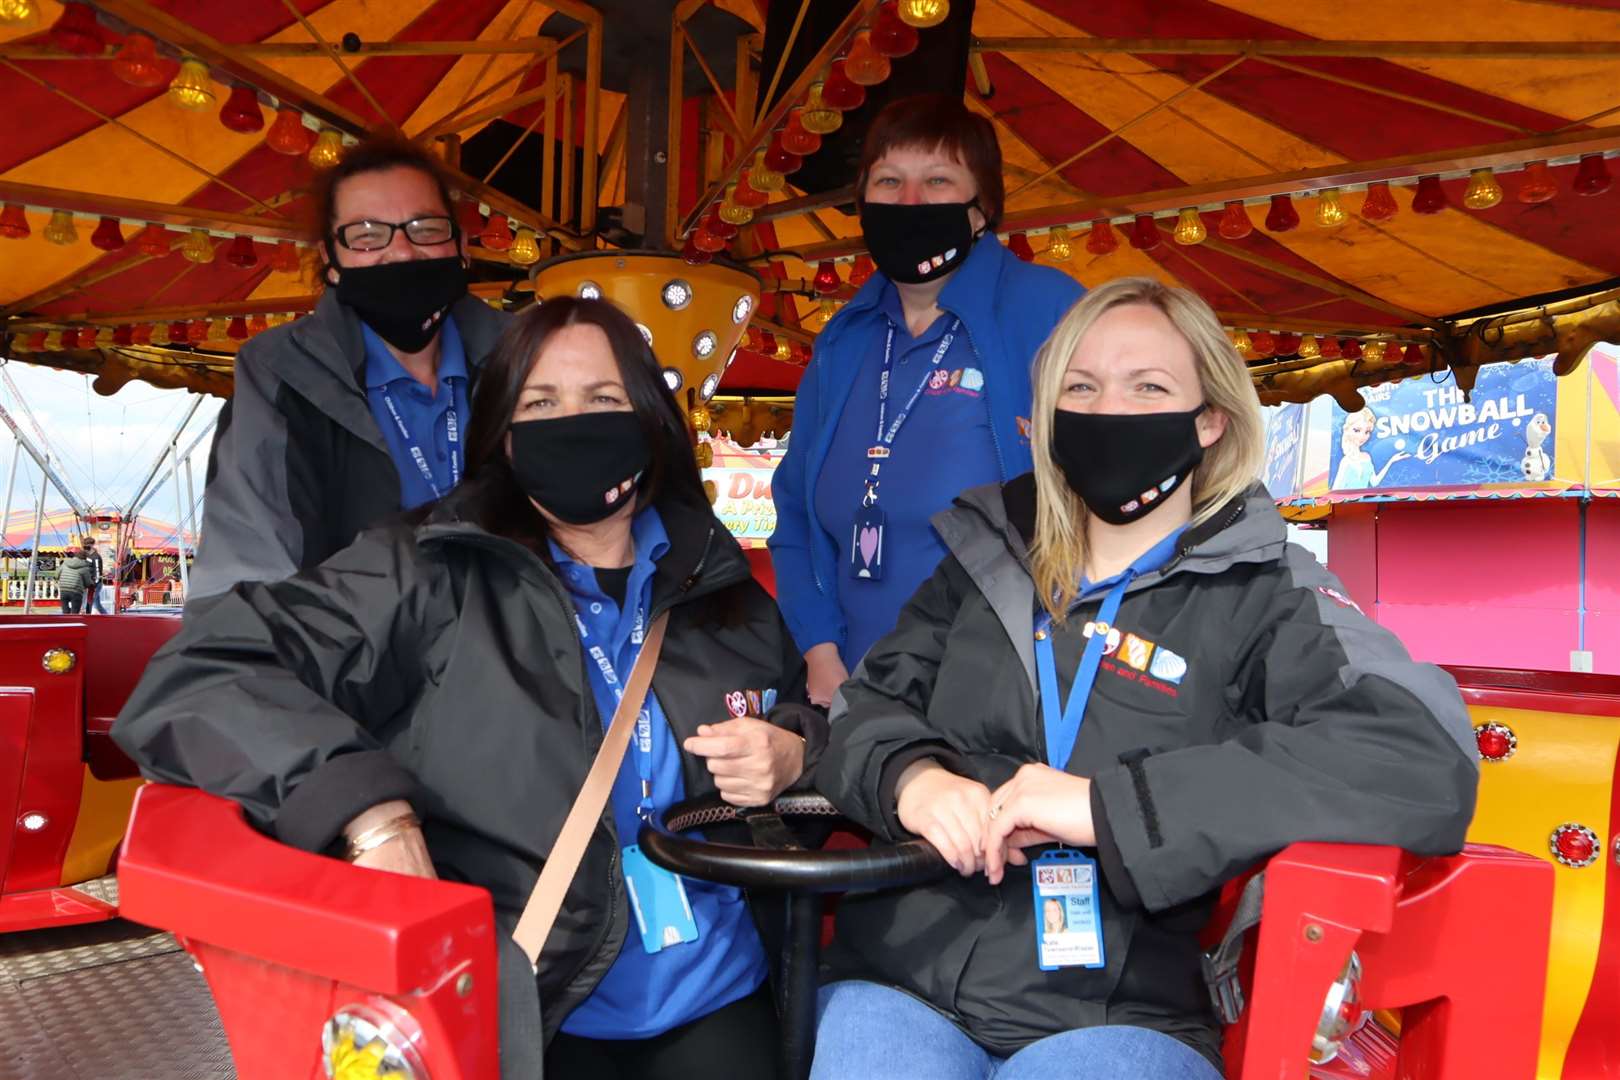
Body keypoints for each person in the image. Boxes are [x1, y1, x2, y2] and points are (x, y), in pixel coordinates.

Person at [115, 297, 824, 1080]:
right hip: (531, 1000)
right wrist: (366, 808)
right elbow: (201, 670)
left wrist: (795, 748)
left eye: (603, 400)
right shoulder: (423, 570)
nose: (574, 422)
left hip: (720, 998)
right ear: (504, 437)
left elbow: (801, 716)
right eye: (541, 403)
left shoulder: (721, 584)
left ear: (652, 419)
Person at [811, 277, 1478, 1079]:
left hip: (1120, 1010)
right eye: (1082, 388)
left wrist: (1109, 807)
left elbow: (1421, 753)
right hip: (904, 973)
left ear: (1210, 421)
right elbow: (861, 707)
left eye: (1148, 387)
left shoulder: (1267, 590)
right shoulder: (985, 555)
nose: (1110, 412)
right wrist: (910, 777)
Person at [770, 94, 1083, 705]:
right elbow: (797, 516)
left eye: (938, 180)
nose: (910, 202)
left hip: (1003, 692)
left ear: (982, 207)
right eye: (889, 181)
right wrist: (820, 652)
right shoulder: (843, 338)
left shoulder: (1050, 310)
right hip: (853, 691)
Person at [188, 136, 508, 601]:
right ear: (331, 261)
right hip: (359, 663)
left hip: (516, 657)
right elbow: (245, 570)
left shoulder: (526, 359)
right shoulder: (279, 374)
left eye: (424, 227)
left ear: (460, 245)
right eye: (367, 235)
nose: (401, 251)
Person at [1332, 406, 1408, 489]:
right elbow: (1336, 491)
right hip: (1350, 501)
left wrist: (1391, 461)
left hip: (1363, 499)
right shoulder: (1346, 461)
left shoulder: (1367, 456)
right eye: (1357, 430)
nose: (1362, 436)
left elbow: (1374, 482)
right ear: (1347, 430)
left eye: (1367, 432)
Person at [55, 547, 90, 614]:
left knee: (65, 612)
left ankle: (66, 622)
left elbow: (56, 575)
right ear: (84, 558)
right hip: (76, 591)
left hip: (63, 589)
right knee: (75, 613)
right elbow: (88, 583)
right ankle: (73, 621)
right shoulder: (84, 567)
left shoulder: (65, 563)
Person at [82, 541, 107, 613]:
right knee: (97, 605)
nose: (85, 549)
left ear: (91, 546)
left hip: (95, 584)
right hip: (91, 583)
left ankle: (87, 617)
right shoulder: (89, 556)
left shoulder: (95, 557)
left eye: (86, 547)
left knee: (90, 601)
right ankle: (106, 616)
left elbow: (97, 571)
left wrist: (94, 584)